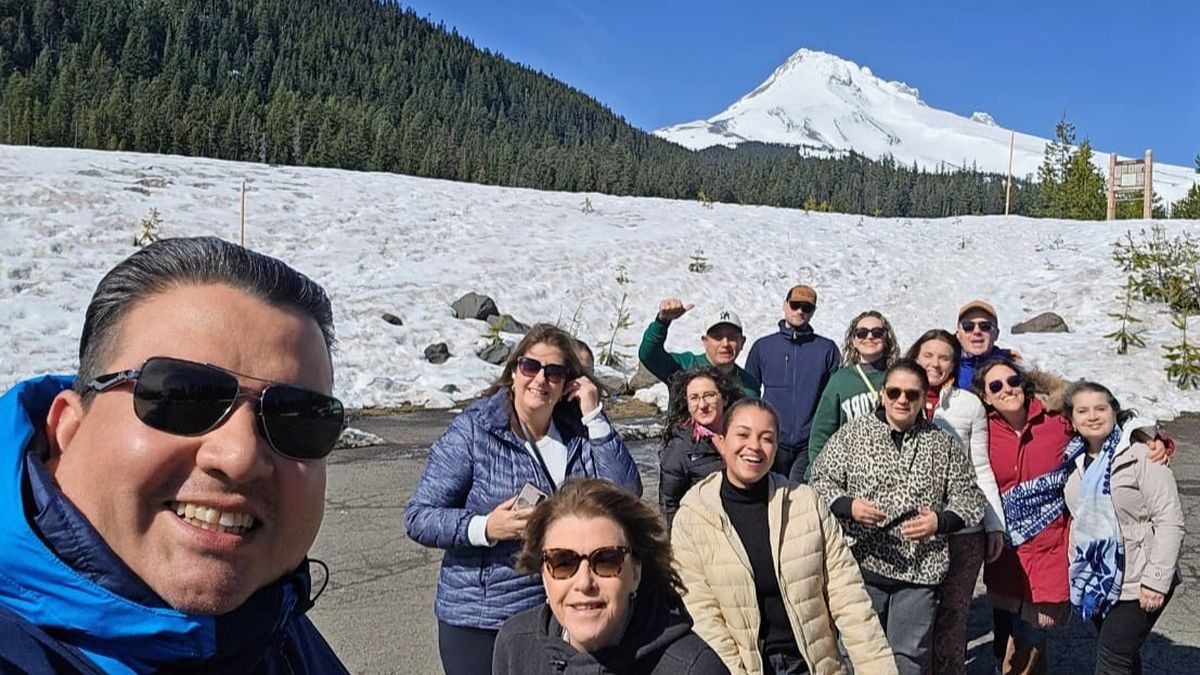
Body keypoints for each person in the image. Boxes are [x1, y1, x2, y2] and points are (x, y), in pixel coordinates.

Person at [0, 237, 347, 672]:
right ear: (67, 427)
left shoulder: (269, 623)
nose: (239, 456)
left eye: (298, 418)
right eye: (182, 396)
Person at [405, 323, 642, 675]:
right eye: (530, 367)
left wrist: (593, 415)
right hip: (481, 617)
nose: (540, 379)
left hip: (555, 612)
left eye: (555, 372)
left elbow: (625, 493)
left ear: (567, 384)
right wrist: (485, 527)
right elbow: (418, 517)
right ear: (513, 372)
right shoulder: (473, 431)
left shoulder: (578, 433)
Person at [672, 399, 898, 675]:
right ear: (721, 441)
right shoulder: (694, 516)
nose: (754, 446)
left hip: (811, 664)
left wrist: (878, 669)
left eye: (766, 438)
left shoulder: (805, 503)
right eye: (742, 435)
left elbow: (849, 597)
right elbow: (702, 614)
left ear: (776, 448)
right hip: (739, 666)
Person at [810, 360, 985, 675]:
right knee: (857, 655)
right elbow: (819, 480)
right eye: (894, 392)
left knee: (909, 658)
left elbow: (971, 497)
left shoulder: (941, 441)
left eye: (911, 394)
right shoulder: (853, 434)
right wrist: (847, 505)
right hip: (862, 564)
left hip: (919, 569)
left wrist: (940, 521)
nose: (902, 400)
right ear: (883, 394)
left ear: (922, 399)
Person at [493, 478, 728, 674]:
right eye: (563, 562)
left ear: (636, 572)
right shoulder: (516, 645)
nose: (584, 582)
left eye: (606, 560)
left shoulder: (692, 667)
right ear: (544, 575)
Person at [1062, 382, 1184, 675]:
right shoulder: (1071, 459)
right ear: (1072, 420)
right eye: (1083, 410)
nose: (1092, 416)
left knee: (1112, 657)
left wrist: (1156, 580)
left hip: (1140, 576)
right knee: (1123, 657)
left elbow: (1169, 519)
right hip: (1098, 577)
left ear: (1115, 412)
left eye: (1101, 408)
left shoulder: (1141, 453)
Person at [905, 330, 1006, 675]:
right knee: (915, 619)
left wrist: (993, 524)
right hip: (914, 526)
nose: (935, 363)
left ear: (954, 363)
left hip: (962, 528)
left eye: (944, 357)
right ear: (915, 356)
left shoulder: (969, 403)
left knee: (952, 617)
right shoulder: (899, 397)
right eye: (928, 355)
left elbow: (980, 466)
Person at [973, 357, 1071, 675]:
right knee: (1013, 634)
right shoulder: (982, 428)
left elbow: (1108, 426)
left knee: (1031, 634)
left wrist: (1153, 442)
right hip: (1005, 551)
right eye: (996, 386)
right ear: (985, 396)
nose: (1007, 390)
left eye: (1013, 382)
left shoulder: (1057, 420)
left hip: (1049, 545)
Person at [744, 284, 840, 479]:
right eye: (795, 305)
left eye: (807, 308)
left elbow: (833, 397)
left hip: (808, 443)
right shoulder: (764, 347)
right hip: (771, 439)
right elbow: (749, 392)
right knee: (768, 494)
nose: (800, 311)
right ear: (785, 305)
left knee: (797, 497)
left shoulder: (826, 349)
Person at [805, 310, 899, 481]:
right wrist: (818, 471)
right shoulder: (840, 380)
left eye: (877, 333)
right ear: (854, 341)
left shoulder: (898, 376)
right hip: (849, 474)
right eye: (862, 333)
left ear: (887, 339)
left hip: (890, 472)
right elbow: (822, 432)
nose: (869, 337)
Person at [659, 366, 745, 527]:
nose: (702, 404)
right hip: (703, 535)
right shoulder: (680, 447)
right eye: (694, 398)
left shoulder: (744, 435)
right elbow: (669, 504)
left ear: (725, 398)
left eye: (709, 395)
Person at [638, 298, 760, 404]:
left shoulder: (749, 385)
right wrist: (662, 322)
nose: (725, 344)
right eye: (717, 337)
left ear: (742, 342)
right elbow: (648, 355)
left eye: (732, 337)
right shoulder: (685, 366)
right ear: (705, 341)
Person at [954, 300, 1018, 389]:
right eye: (968, 326)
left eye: (985, 326)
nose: (976, 331)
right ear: (958, 334)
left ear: (996, 334)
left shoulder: (1012, 366)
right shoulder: (947, 367)